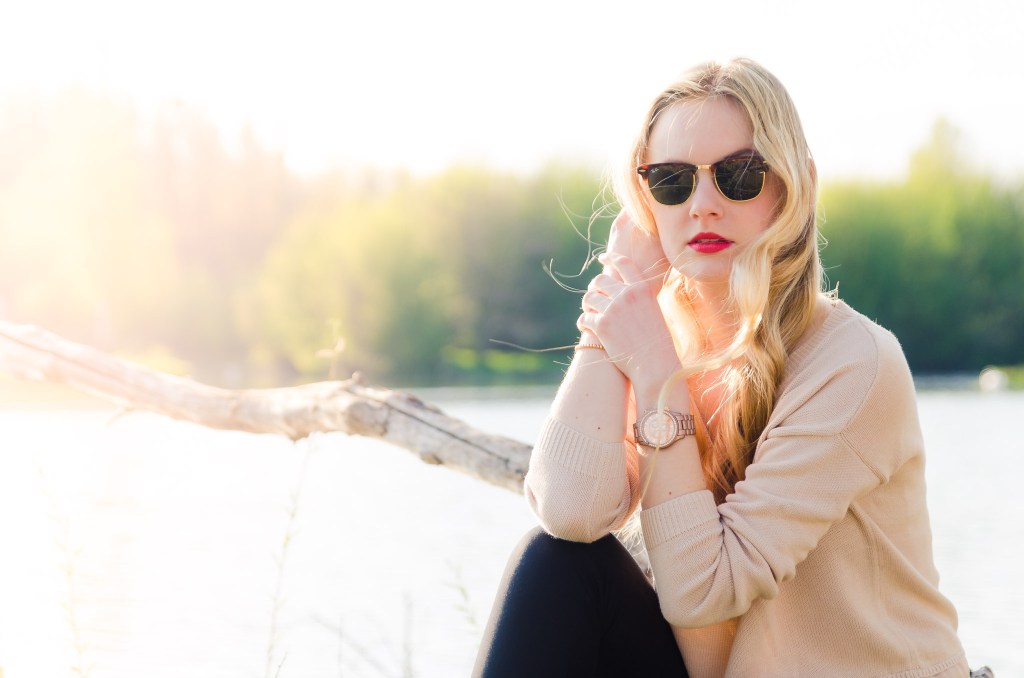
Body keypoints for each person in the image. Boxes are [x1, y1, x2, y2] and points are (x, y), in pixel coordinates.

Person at [473, 58, 972, 678]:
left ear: (794, 185)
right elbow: (570, 511)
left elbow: (703, 592)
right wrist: (617, 297)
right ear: (644, 199)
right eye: (672, 181)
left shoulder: (852, 363)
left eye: (738, 175)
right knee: (554, 563)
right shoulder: (653, 330)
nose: (702, 205)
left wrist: (656, 371)